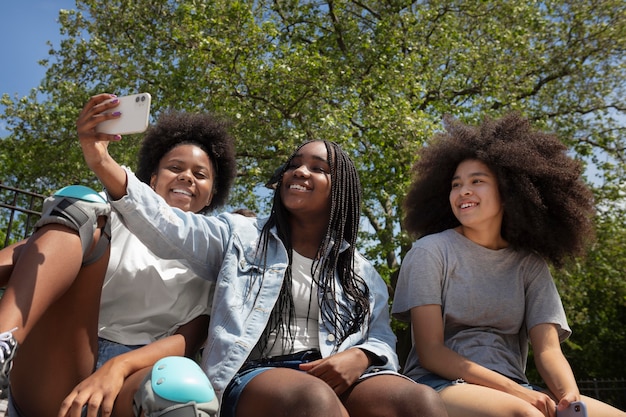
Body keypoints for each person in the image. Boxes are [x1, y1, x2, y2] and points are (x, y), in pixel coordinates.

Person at [78, 124, 449, 417]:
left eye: (318, 168)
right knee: (313, 400)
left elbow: (383, 338)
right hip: (256, 375)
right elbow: (170, 226)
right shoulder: (238, 235)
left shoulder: (362, 273)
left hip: (346, 373)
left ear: (341, 191)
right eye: (294, 164)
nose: (300, 171)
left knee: (420, 403)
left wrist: (364, 356)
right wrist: (103, 162)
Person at [0, 93, 237, 417]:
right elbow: (31, 256)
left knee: (185, 391)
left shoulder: (218, 253)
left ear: (211, 194)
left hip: (130, 377)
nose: (187, 177)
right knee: (80, 203)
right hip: (60, 354)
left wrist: (117, 368)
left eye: (200, 174)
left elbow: (188, 340)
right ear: (151, 180)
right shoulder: (107, 212)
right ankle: (2, 341)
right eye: (175, 168)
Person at [391, 113, 626, 417]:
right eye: (456, 184)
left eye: (477, 181)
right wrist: (515, 392)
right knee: (524, 415)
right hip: (439, 384)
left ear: (510, 191)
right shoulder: (430, 252)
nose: (463, 191)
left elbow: (548, 350)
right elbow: (431, 353)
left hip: (517, 387)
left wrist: (569, 398)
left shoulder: (530, 265)